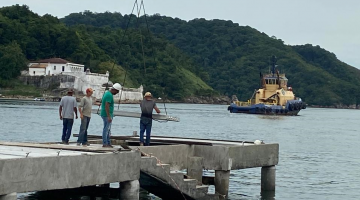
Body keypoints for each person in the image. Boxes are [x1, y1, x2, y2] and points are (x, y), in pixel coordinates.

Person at [100, 83, 121, 147]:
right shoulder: (109, 95)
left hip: (106, 114)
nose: (117, 93)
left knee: (108, 129)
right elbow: (107, 106)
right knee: (106, 129)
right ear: (114, 90)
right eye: (117, 92)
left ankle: (108, 143)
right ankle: (105, 143)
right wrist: (109, 116)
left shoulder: (107, 93)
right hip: (106, 115)